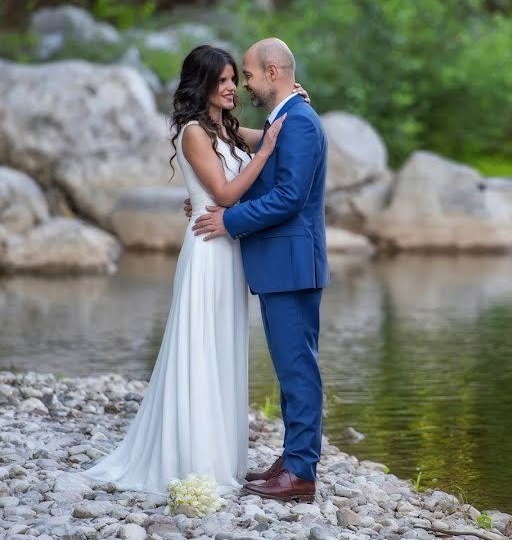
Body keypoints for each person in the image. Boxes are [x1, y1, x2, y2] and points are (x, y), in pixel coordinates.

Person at [75, 44, 304, 495]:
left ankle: (220, 455)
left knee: (224, 347)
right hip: (207, 252)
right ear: (201, 85)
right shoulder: (194, 132)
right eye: (220, 81)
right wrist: (263, 153)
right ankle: (193, 457)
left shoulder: (228, 129)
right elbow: (224, 194)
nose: (230, 88)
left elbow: (276, 132)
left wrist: (291, 102)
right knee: (200, 347)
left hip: (230, 252)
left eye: (233, 79)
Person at [191, 38, 330, 502]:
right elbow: (256, 169)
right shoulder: (285, 121)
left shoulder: (301, 125)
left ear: (273, 72)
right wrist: (211, 199)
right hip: (280, 266)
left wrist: (229, 220)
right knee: (290, 370)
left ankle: (302, 472)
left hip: (292, 266)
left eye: (247, 75)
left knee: (298, 370)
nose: (244, 84)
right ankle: (293, 459)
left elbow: (290, 197)